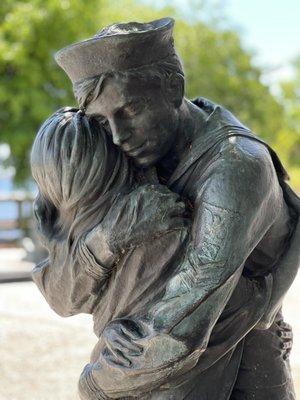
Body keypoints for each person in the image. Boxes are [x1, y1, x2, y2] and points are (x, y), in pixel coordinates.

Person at [50, 18, 300, 399]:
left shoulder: (236, 166)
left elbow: (182, 321)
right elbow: (64, 293)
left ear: (173, 88)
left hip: (239, 379)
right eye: (102, 121)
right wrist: (107, 243)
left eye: (130, 109)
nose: (118, 136)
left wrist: (95, 383)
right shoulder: (131, 154)